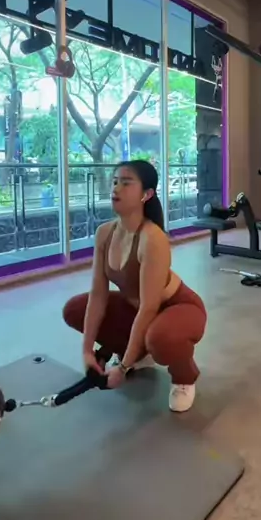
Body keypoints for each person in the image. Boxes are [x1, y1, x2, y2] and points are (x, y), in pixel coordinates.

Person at [63, 160, 207, 412]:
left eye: (126, 183)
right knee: (75, 309)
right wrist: (87, 351)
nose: (116, 188)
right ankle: (138, 354)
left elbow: (150, 306)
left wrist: (122, 368)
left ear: (146, 194)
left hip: (177, 307)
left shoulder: (153, 239)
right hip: (136, 308)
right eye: (115, 181)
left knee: (161, 338)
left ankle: (184, 377)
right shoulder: (105, 233)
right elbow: (98, 295)